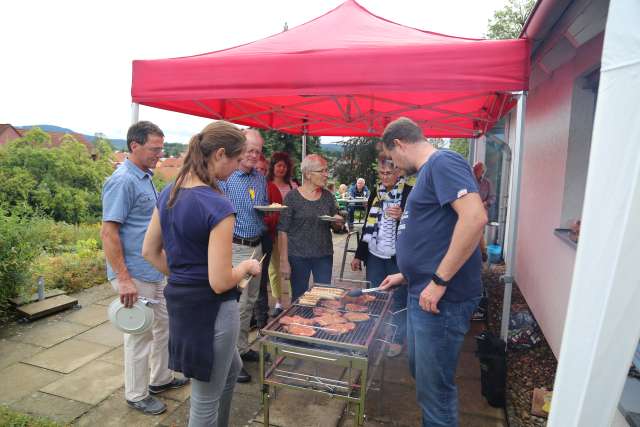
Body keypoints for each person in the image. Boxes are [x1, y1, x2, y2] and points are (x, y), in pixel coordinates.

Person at [142, 121, 261, 427]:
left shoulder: (170, 190)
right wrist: (246, 266)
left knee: (231, 370)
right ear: (220, 154)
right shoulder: (218, 205)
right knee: (204, 402)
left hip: (182, 304)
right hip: (212, 311)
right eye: (236, 160)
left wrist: (183, 276)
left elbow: (150, 252)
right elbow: (220, 281)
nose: (236, 168)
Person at [379, 117, 487, 427]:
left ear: (399, 144)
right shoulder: (430, 171)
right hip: (421, 291)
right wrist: (408, 274)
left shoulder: (444, 162)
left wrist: (439, 281)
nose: (394, 165)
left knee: (435, 390)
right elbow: (438, 232)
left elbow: (475, 218)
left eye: (392, 158)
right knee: (424, 375)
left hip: (441, 299)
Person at [101, 121, 189, 415]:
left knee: (164, 324)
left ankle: (159, 377)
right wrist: (124, 280)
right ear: (134, 146)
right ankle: (136, 394)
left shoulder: (144, 176)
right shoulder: (123, 180)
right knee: (139, 334)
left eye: (161, 148)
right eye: (154, 149)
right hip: (134, 273)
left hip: (153, 270)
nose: (159, 154)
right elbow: (109, 233)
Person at [217, 129, 269, 384]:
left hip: (257, 246)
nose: (253, 155)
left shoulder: (260, 179)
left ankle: (243, 348)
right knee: (237, 304)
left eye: (257, 151)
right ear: (239, 148)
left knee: (251, 301)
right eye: (249, 149)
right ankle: (231, 359)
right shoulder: (227, 177)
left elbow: (262, 209)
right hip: (236, 247)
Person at [350, 159, 412, 356]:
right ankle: (375, 335)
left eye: (388, 173)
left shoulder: (410, 193)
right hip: (375, 255)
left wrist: (403, 215)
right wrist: (359, 255)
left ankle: (396, 338)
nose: (384, 177)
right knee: (374, 296)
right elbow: (368, 223)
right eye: (381, 173)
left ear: (399, 172)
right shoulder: (376, 193)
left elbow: (420, 225)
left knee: (399, 298)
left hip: (398, 257)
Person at [278, 154, 344, 300]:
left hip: (324, 255)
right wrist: (284, 261)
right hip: (298, 256)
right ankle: (299, 323)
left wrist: (338, 222)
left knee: (324, 296)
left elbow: (335, 226)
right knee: (299, 298)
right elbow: (283, 230)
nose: (327, 175)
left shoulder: (328, 196)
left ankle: (320, 323)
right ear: (308, 174)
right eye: (322, 171)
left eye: (327, 170)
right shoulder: (292, 197)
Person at [266, 152, 297, 317]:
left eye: (284, 166)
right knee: (274, 268)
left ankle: (292, 298)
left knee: (293, 266)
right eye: (278, 165)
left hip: (291, 233)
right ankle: (278, 301)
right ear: (273, 167)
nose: (281, 168)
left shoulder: (293, 185)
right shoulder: (266, 184)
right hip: (273, 232)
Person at [253, 155, 282, 328]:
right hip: (244, 240)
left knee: (262, 280)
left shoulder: (270, 187)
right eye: (258, 169)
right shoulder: (243, 186)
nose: (261, 172)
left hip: (266, 237)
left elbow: (277, 212)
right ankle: (251, 317)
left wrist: (263, 221)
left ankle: (261, 321)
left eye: (264, 170)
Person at [473, 162, 496, 262]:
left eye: (478, 169)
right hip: (470, 211)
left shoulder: (487, 183)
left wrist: (485, 203)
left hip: (482, 212)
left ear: (482, 171)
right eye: (474, 169)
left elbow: (493, 197)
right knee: (471, 232)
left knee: (479, 232)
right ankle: (479, 254)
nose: (475, 171)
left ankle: (483, 253)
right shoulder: (469, 181)